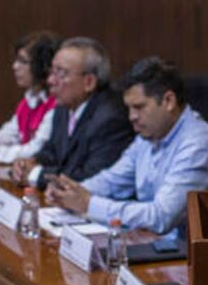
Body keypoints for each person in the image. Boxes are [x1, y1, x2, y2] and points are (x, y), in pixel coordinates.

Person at [46, 57, 208, 237]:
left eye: (139, 107)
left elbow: (161, 217)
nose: (131, 116)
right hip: (153, 243)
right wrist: (69, 192)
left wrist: (88, 204)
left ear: (168, 101)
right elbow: (112, 181)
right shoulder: (148, 135)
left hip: (187, 255)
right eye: (129, 108)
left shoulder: (199, 145)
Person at [12, 37, 133, 189]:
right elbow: (51, 152)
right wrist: (30, 163)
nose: (50, 80)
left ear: (89, 82)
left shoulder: (111, 118)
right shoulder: (64, 106)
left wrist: (35, 175)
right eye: (52, 72)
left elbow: (90, 178)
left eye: (61, 74)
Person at [0, 31, 60, 164]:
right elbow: (9, 134)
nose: (14, 67)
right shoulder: (28, 101)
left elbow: (34, 151)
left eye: (23, 61)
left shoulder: (57, 105)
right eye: (16, 60)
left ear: (44, 66)